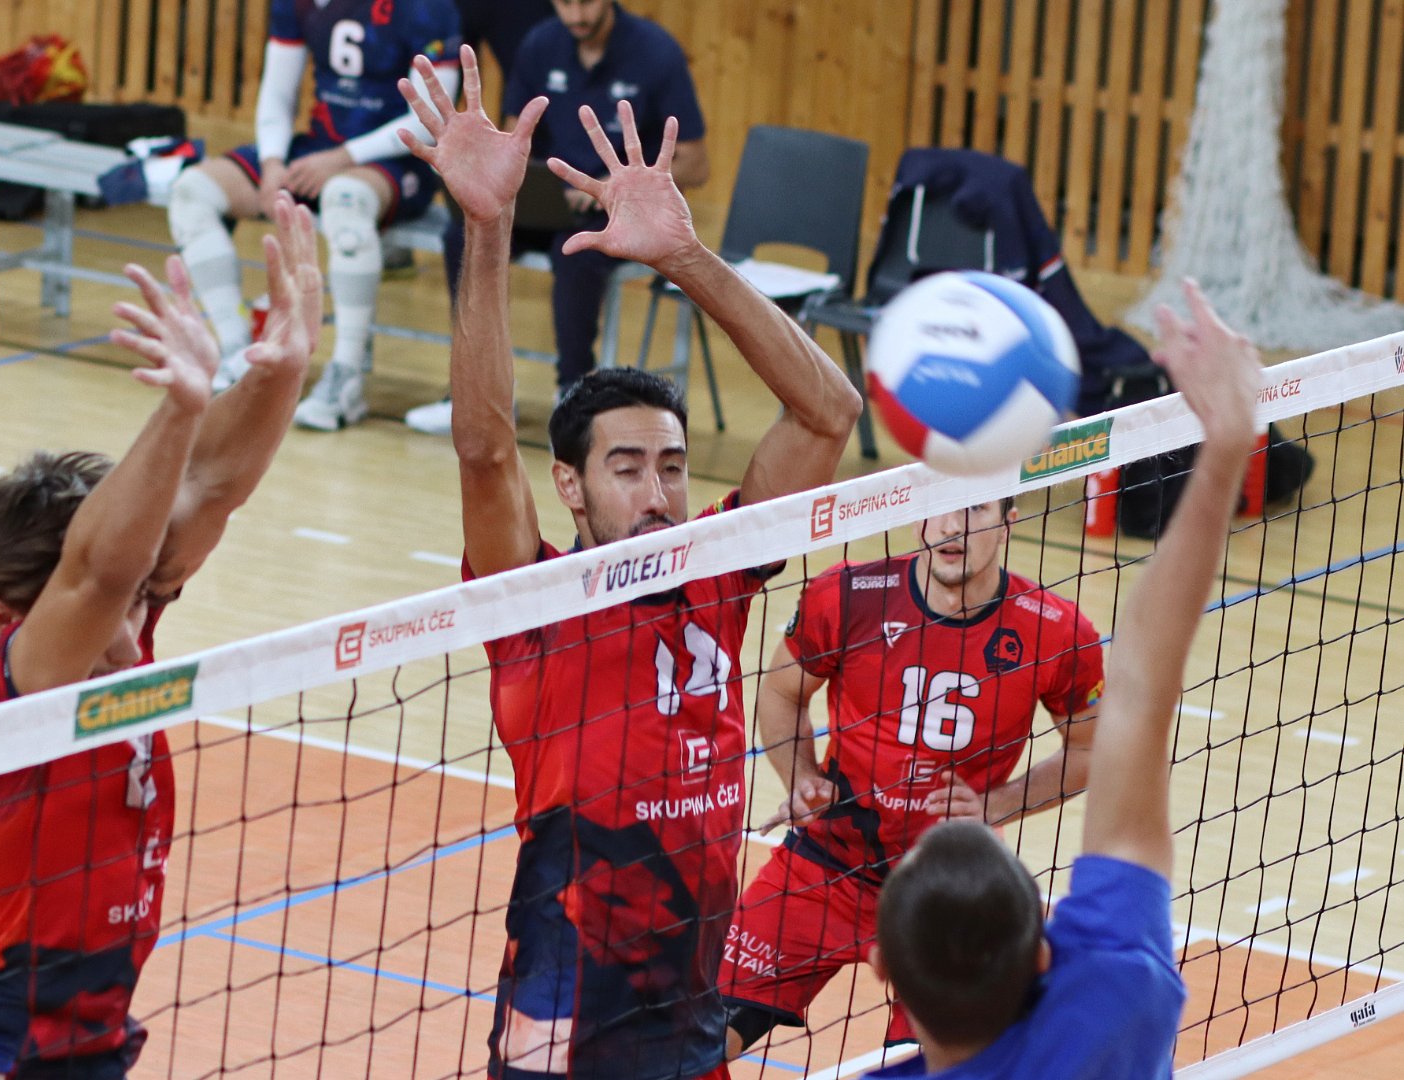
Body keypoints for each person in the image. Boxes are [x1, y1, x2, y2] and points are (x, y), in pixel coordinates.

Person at [396, 44, 860, 1079]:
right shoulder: (534, 600)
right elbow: (483, 450)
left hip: (691, 1029)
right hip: (563, 1029)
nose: (658, 492)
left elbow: (828, 412)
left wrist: (685, 257)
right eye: (627, 468)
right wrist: (487, 227)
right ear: (570, 486)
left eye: (673, 467)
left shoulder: (718, 572)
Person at [0, 194, 321, 1080]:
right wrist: (179, 407)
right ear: (6, 619)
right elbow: (98, 577)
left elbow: (206, 489)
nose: (141, 616)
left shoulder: (116, 627)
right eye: (124, 598)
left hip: (90, 1045)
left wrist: (279, 374)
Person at [863, 280, 1258, 1078]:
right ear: (1045, 953)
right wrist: (1225, 446)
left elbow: (1132, 695)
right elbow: (1140, 687)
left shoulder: (1116, 991)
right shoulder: (1115, 996)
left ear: (883, 971)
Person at [717, 497, 1105, 1060]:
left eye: (974, 510)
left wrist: (999, 804)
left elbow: (1091, 749)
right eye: (938, 505)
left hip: (947, 889)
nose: (950, 525)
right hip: (828, 860)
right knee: (692, 1046)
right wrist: (800, 777)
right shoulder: (848, 594)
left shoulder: (1056, 630)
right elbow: (781, 691)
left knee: (939, 1069)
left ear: (1008, 521)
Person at [404, 0, 708, 434]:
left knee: (575, 253)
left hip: (617, 211)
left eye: (586, 3)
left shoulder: (657, 51)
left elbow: (697, 164)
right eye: (565, 4)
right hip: (548, 199)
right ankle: (478, 389)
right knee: (466, 235)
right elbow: (515, 137)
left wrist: (616, 184)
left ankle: (572, 399)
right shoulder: (539, 43)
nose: (576, 16)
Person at [168, 0, 461, 431]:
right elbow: (277, 91)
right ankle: (237, 350)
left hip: (401, 160)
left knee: (345, 199)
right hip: (318, 149)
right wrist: (272, 161)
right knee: (193, 191)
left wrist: (342, 158)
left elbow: (431, 119)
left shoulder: (426, 8)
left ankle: (346, 378)